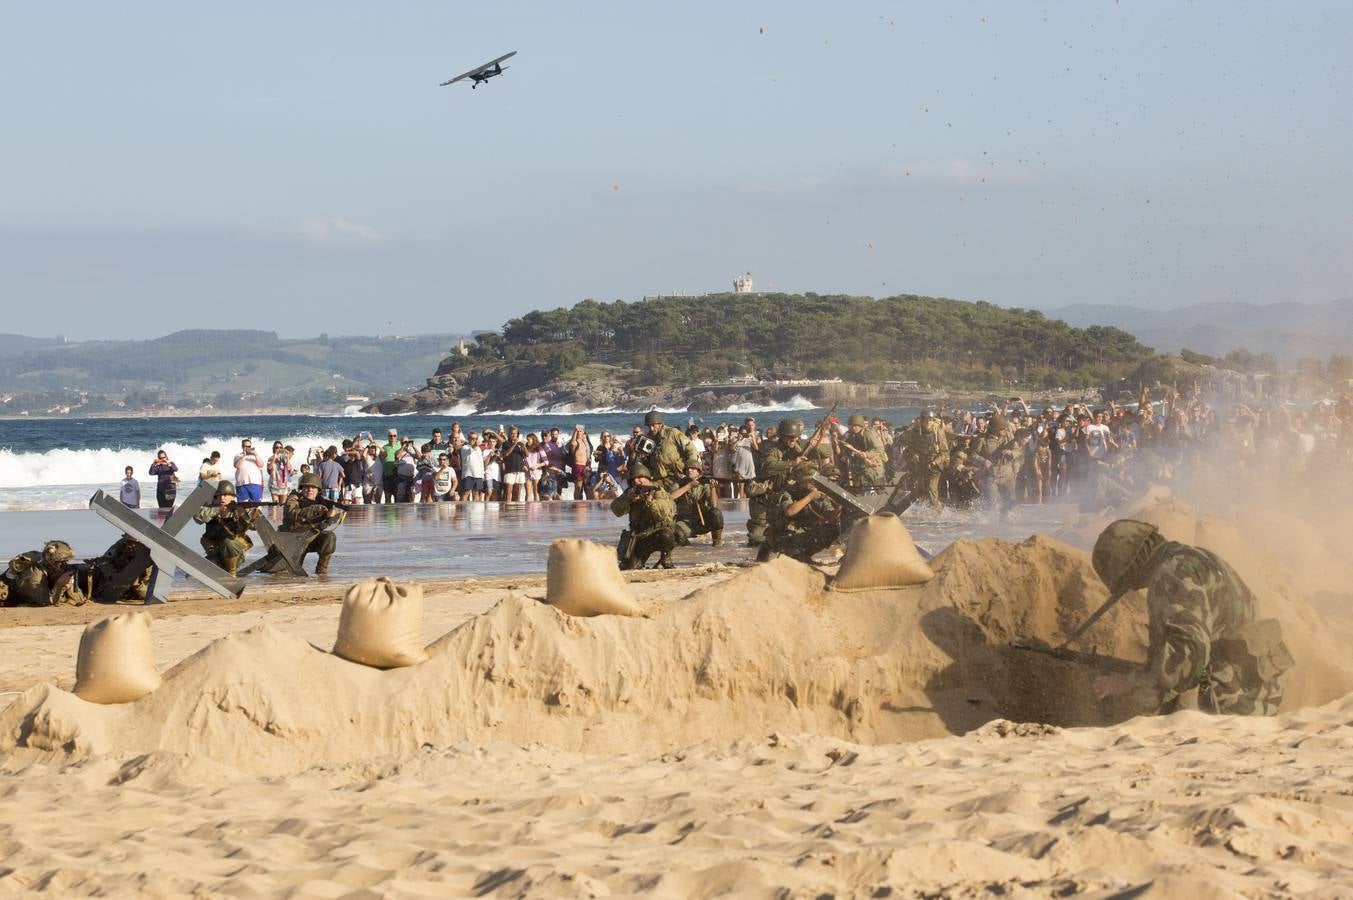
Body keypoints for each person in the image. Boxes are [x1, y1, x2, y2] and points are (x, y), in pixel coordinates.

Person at [1089, 519, 1292, 716]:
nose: (1134, 587)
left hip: (1232, 701)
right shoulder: (1197, 558)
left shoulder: (1169, 576)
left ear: (1130, 567)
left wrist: (1127, 683)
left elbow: (1189, 656)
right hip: (1258, 688)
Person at [258, 472, 341, 576]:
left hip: (310, 538)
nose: (310, 490)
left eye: (313, 488)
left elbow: (336, 509)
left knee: (330, 537)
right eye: (307, 487)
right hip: (291, 539)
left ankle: (321, 571)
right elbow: (294, 513)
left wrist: (333, 513)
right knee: (292, 573)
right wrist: (315, 509)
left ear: (318, 490)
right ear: (302, 488)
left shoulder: (321, 501)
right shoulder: (293, 499)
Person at [759, 459, 839, 564]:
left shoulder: (815, 491)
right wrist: (810, 497)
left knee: (832, 530)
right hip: (782, 534)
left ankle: (803, 555)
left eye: (814, 481)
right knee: (791, 536)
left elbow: (829, 513)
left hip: (802, 532)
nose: (812, 484)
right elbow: (790, 511)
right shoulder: (788, 491)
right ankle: (792, 555)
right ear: (801, 480)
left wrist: (838, 508)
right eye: (809, 481)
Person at [610, 464, 678, 570]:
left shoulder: (658, 492)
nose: (636, 481)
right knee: (629, 567)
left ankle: (666, 558)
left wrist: (650, 501)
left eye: (639, 478)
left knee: (667, 535)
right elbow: (616, 510)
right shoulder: (631, 492)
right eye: (633, 480)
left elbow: (663, 515)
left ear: (647, 478)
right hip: (640, 537)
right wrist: (628, 499)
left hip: (657, 534)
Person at [192, 481, 258, 577]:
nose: (222, 498)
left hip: (235, 554)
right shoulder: (212, 509)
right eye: (219, 495)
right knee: (195, 574)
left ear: (232, 497)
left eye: (225, 495)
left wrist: (243, 515)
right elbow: (198, 518)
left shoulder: (238, 509)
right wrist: (218, 510)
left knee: (228, 542)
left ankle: (232, 573)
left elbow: (254, 527)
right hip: (216, 554)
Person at [1, 540, 87, 607]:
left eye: (67, 561)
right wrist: (59, 585)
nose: (65, 564)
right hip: (10, 596)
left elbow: (78, 599)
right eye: (62, 561)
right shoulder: (34, 573)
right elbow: (46, 601)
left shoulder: (55, 568)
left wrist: (68, 586)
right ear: (52, 561)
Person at [636, 411, 701, 491]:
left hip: (677, 478)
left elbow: (691, 450)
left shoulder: (673, 433)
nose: (651, 429)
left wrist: (690, 472)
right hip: (658, 479)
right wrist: (643, 458)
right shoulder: (649, 440)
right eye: (649, 426)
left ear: (660, 424)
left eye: (653, 425)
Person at [905, 410, 949, 509]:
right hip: (922, 463)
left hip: (935, 464)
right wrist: (914, 455)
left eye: (930, 420)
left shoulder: (938, 432)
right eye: (925, 420)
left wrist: (934, 463)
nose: (928, 422)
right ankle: (931, 506)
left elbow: (944, 452)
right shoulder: (917, 431)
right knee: (921, 487)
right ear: (921, 421)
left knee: (931, 487)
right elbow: (911, 446)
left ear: (933, 421)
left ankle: (936, 510)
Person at [672, 465, 723, 547]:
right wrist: (689, 486)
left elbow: (714, 505)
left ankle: (716, 541)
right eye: (687, 469)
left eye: (692, 468)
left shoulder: (704, 484)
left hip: (702, 521)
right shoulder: (679, 483)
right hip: (686, 522)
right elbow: (670, 497)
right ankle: (687, 546)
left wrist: (713, 488)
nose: (689, 470)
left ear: (699, 471)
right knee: (675, 532)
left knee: (716, 513)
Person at [840, 412, 889, 491]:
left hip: (873, 466)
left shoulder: (868, 433)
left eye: (856, 426)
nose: (854, 428)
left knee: (877, 489)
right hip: (860, 466)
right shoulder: (852, 435)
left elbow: (879, 448)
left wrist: (866, 454)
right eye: (852, 426)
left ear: (861, 425)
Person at [565, 424, 593, 500]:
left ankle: (587, 504)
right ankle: (577, 503)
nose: (580, 433)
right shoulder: (576, 441)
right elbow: (572, 443)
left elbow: (588, 454)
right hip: (578, 466)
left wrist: (589, 463)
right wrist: (575, 431)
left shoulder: (585, 442)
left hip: (585, 467)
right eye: (578, 431)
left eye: (581, 431)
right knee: (578, 487)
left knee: (587, 487)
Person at [233, 439, 266, 503]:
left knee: (256, 505)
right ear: (242, 446)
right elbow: (237, 466)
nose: (247, 448)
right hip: (241, 484)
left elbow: (261, 465)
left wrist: (256, 455)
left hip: (255, 483)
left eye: (249, 446)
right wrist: (244, 456)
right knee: (242, 506)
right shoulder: (238, 455)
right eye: (245, 446)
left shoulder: (255, 456)